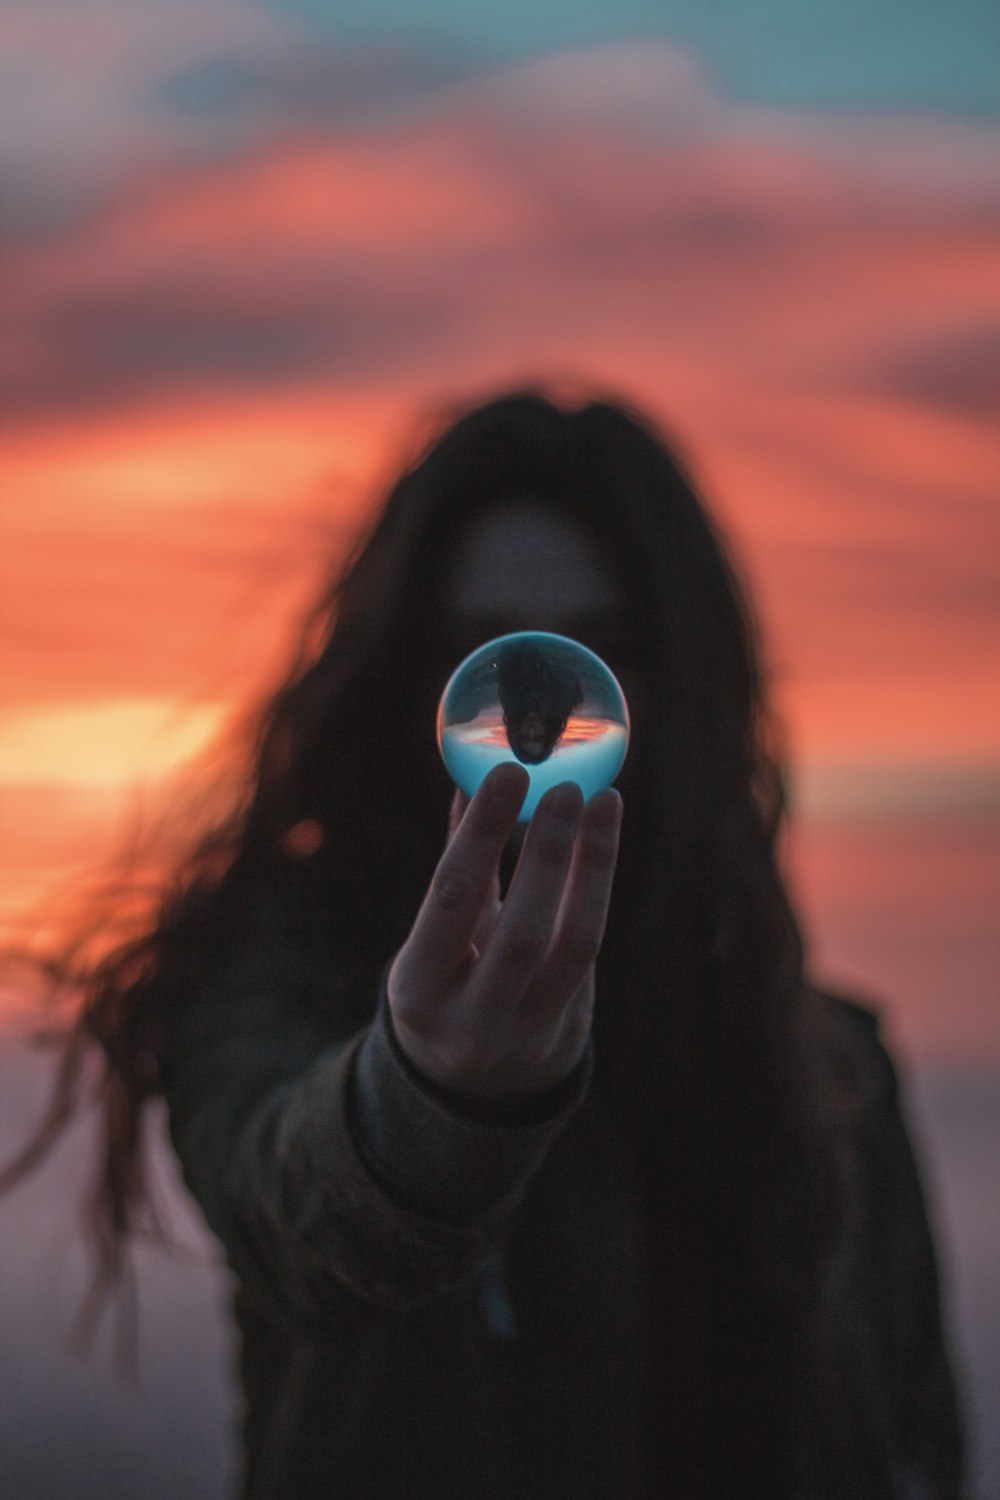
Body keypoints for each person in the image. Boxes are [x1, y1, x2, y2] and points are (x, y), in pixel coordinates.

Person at [7, 390, 964, 1497]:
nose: (537, 714)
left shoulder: (827, 1073)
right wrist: (430, 1101)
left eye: (595, 648)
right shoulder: (278, 983)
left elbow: (917, 1445)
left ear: (681, 677)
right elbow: (292, 1206)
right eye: (485, 652)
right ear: (405, 673)